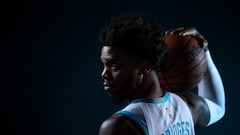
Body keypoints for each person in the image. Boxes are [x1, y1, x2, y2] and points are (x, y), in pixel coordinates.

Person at [98, 14, 225, 135]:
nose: (104, 74)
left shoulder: (120, 127)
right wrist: (204, 52)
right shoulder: (184, 104)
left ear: (144, 66)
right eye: (104, 65)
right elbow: (218, 107)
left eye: (114, 66)